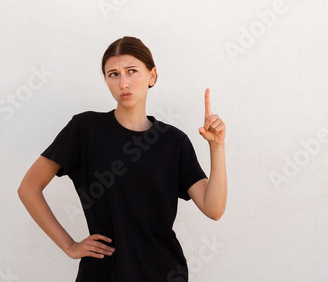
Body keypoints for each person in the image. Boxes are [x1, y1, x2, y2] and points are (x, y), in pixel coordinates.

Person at [17, 36, 227, 282]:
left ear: (152, 75)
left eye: (132, 71)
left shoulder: (173, 141)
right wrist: (69, 245)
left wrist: (218, 147)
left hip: (163, 272)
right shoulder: (85, 129)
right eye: (113, 74)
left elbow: (213, 209)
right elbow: (29, 188)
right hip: (103, 274)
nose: (123, 82)